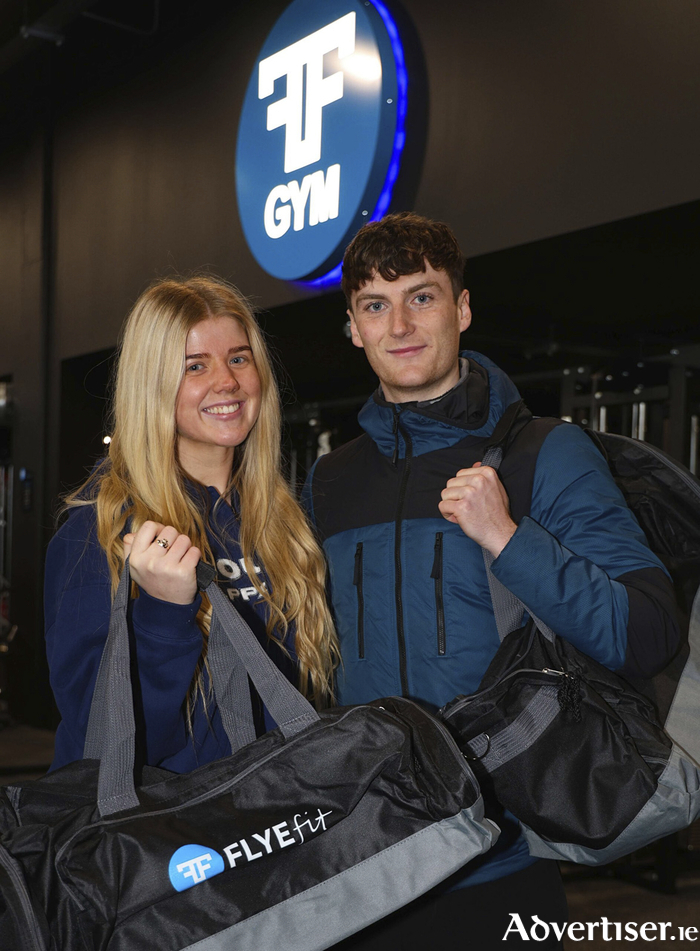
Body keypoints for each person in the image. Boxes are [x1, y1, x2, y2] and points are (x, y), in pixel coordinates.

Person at [302, 213, 680, 948]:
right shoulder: (330, 480)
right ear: (352, 327)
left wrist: (508, 539)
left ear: (463, 308)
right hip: (368, 864)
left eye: (422, 296)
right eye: (376, 305)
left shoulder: (546, 452)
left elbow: (646, 632)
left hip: (503, 856)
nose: (400, 325)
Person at [45, 275, 338, 773]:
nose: (227, 381)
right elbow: (104, 744)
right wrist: (163, 614)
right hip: (174, 818)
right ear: (153, 385)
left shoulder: (284, 523)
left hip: (276, 806)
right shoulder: (98, 531)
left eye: (239, 359)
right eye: (195, 366)